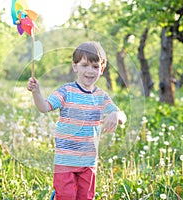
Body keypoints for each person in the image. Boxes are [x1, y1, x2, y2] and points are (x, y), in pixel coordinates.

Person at [27, 41, 127, 200]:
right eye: (85, 65)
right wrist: (36, 92)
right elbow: (44, 107)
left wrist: (116, 115)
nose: (90, 71)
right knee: (66, 196)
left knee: (85, 197)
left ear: (101, 70)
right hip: (65, 160)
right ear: (75, 66)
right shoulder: (66, 91)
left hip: (88, 161)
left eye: (95, 67)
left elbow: (122, 116)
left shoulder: (101, 96)